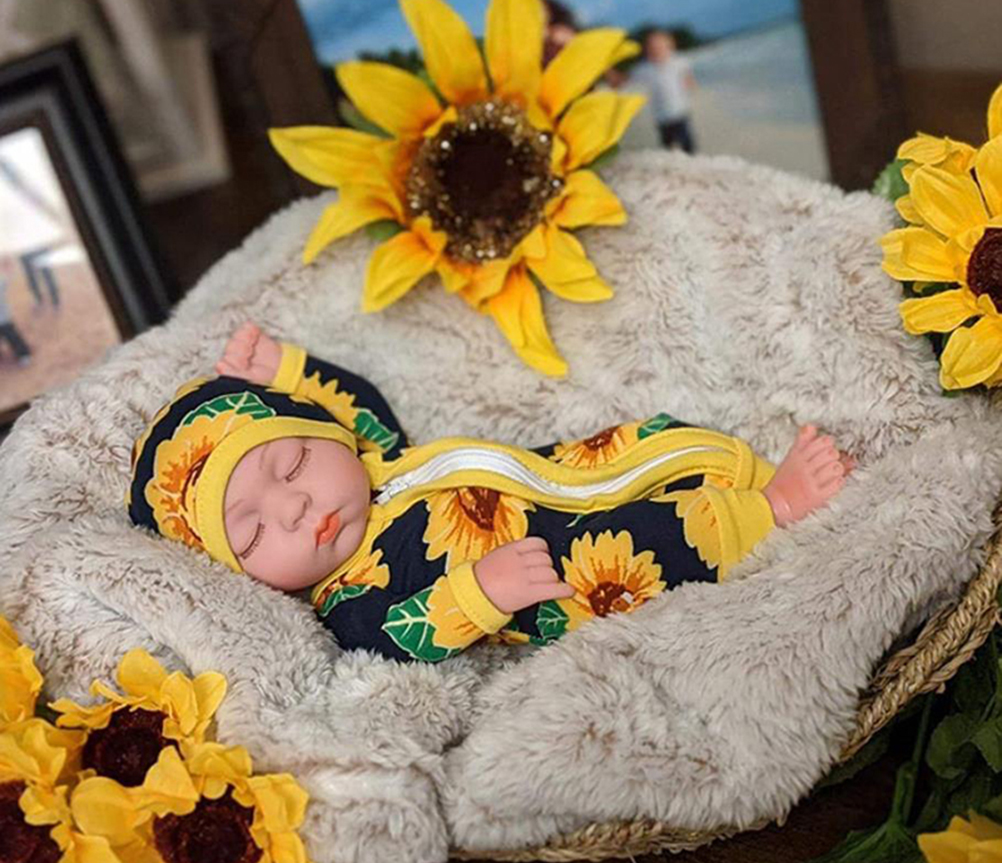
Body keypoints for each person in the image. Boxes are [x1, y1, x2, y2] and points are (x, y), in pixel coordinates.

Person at [127, 322, 853, 664]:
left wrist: (287, 370)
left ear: (331, 439)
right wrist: (480, 592)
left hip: (555, 473)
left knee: (641, 439)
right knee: (652, 540)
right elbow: (395, 634)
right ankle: (774, 509)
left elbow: (360, 405)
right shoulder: (346, 598)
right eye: (252, 533)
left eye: (292, 463)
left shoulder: (377, 460)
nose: (290, 507)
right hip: (555, 576)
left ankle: (735, 467)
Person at [630, 29, 696, 153]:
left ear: (670, 46)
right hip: (661, 116)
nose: (657, 50)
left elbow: (688, 77)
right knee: (667, 144)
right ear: (646, 50)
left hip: (680, 111)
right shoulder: (644, 68)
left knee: (687, 144)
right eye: (652, 47)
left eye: (660, 46)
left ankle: (691, 158)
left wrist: (690, 84)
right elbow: (626, 80)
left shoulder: (678, 61)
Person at [0, 256, 31, 367]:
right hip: (3, 318)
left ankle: (23, 354)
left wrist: (8, 267)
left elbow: (8, 277)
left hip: (3, 319)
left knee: (12, 336)